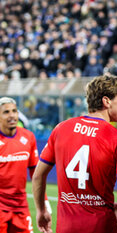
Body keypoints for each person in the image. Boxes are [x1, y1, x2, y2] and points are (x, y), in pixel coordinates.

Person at [32, 74, 117, 233]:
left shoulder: (61, 129)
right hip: (101, 226)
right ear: (106, 101)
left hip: (65, 227)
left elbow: (38, 176)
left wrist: (41, 211)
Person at [0, 97, 50, 233]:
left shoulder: (28, 137)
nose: (11, 115)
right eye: (6, 112)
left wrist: (44, 203)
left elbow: (36, 174)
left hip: (20, 207)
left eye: (14, 111)